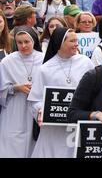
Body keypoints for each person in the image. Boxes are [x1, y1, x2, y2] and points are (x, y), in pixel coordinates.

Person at [27, 27, 95, 158]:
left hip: (77, 125)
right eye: (72, 41)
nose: (77, 44)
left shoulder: (85, 62)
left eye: (77, 40)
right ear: (60, 43)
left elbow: (94, 90)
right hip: (54, 129)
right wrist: (41, 110)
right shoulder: (45, 69)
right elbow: (35, 100)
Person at [0, 27, 43, 157]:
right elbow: (1, 89)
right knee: (11, 146)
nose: (23, 46)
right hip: (14, 110)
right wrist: (16, 88)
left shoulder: (43, 59)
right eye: (19, 42)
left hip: (36, 110)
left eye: (26, 42)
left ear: (34, 41)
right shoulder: (7, 62)